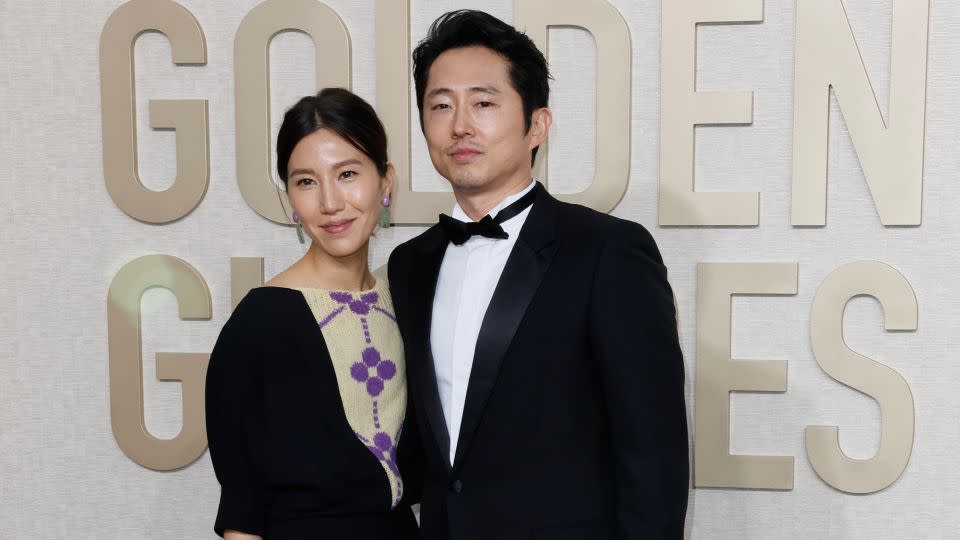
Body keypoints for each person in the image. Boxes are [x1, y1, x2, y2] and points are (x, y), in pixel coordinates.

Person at [387, 10, 689, 539]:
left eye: (483, 103)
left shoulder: (608, 252)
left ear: (537, 124)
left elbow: (653, 456)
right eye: (440, 106)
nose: (460, 125)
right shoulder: (409, 263)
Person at [205, 88, 420, 539]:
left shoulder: (408, 296)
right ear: (290, 199)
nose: (329, 202)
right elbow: (241, 510)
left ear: (385, 182)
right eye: (306, 181)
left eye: (347, 174)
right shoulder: (259, 323)